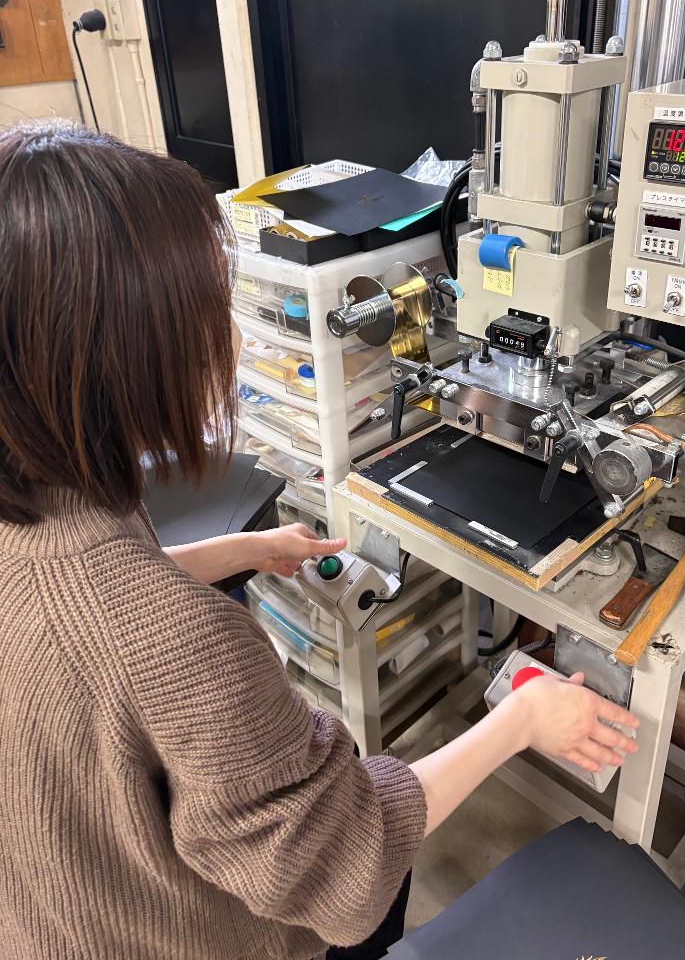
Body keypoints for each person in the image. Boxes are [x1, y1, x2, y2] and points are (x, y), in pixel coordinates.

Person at [0, 123, 639, 960]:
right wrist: (521, 718)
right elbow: (350, 866)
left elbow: (75, 612)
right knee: (383, 864)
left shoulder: (43, 507)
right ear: (128, 358)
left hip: (45, 914)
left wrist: (239, 552)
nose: (230, 341)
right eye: (211, 312)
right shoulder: (183, 646)